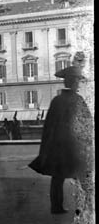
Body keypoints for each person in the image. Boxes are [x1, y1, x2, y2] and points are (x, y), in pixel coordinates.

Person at [29, 65, 93, 215]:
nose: (78, 83)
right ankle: (83, 208)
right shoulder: (78, 100)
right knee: (81, 177)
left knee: (58, 177)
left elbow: (48, 127)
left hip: (58, 147)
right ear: (75, 83)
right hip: (75, 146)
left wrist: (47, 149)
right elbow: (87, 123)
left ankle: (56, 207)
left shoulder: (56, 100)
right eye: (77, 80)